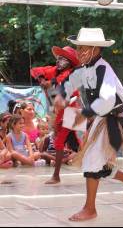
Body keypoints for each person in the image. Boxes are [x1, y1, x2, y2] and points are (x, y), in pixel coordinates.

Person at [55, 28, 123, 221]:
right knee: (97, 162)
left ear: (96, 49)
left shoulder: (103, 69)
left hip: (115, 117)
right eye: (79, 48)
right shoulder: (85, 69)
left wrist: (85, 113)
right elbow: (69, 82)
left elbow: (107, 100)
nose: (79, 52)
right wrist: (60, 96)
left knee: (91, 160)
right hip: (102, 118)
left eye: (84, 48)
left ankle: (90, 209)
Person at [31, 45, 82, 184]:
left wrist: (50, 82)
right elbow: (35, 70)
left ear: (69, 62)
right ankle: (100, 162)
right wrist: (41, 78)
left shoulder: (71, 74)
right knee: (74, 143)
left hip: (71, 111)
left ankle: (56, 176)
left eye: (62, 59)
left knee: (60, 142)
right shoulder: (55, 71)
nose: (58, 61)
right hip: (61, 112)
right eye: (58, 59)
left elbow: (61, 82)